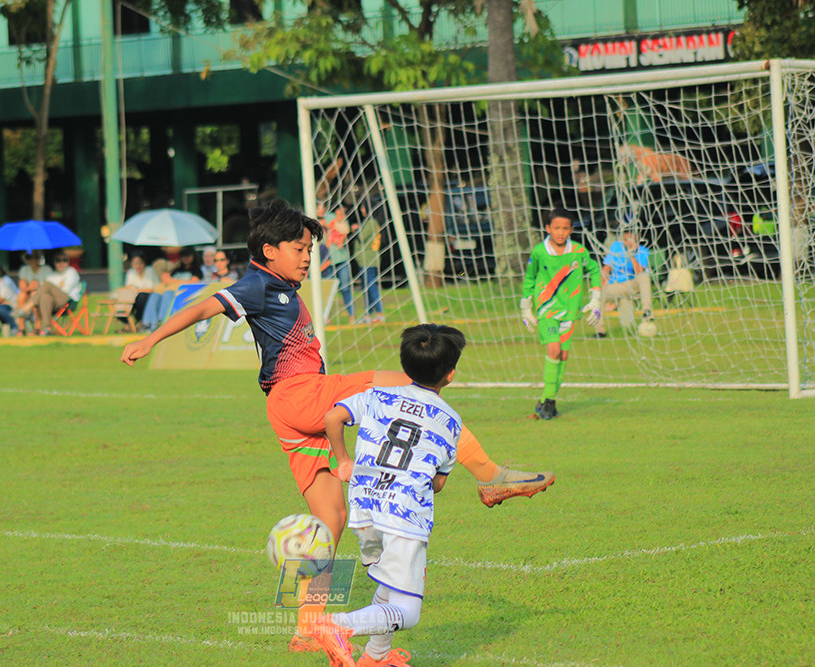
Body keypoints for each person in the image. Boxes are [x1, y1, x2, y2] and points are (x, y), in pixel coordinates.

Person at [120, 199, 553, 650]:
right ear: (269, 251)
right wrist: (151, 339)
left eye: (309, 248)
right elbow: (202, 308)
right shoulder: (257, 284)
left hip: (287, 412)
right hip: (301, 393)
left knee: (329, 519)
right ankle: (490, 476)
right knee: (414, 383)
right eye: (299, 249)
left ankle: (307, 628)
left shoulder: (278, 284)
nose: (307, 256)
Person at [318, 323, 465, 667]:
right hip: (403, 515)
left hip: (365, 509)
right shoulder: (451, 421)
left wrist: (344, 461)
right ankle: (337, 625)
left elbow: (333, 417)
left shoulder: (377, 395)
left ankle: (375, 658)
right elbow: (437, 483)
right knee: (408, 611)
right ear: (450, 374)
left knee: (389, 582)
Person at [520, 208, 602, 420]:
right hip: (546, 309)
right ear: (548, 228)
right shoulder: (539, 252)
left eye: (565, 228)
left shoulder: (578, 251)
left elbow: (594, 270)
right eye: (556, 228)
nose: (560, 232)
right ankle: (548, 401)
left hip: (570, 310)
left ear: (571, 230)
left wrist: (596, 299)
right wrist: (526, 306)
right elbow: (530, 278)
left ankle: (547, 400)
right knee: (554, 350)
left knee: (563, 356)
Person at [595, 227, 655, 337]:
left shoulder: (643, 251)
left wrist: (631, 254)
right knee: (597, 298)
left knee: (644, 276)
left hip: (632, 285)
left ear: (636, 239)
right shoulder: (616, 247)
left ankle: (647, 311)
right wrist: (597, 287)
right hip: (616, 286)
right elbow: (606, 269)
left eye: (630, 239)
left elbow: (639, 272)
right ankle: (600, 331)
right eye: (626, 239)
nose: (628, 242)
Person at [141, 247, 202, 331]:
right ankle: (149, 323)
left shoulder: (196, 270)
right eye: (183, 256)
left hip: (184, 294)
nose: (185, 258)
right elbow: (168, 280)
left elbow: (194, 282)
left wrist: (173, 281)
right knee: (155, 295)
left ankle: (163, 321)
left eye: (187, 255)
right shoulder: (177, 270)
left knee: (168, 293)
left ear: (192, 256)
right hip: (171, 290)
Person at [28, 251, 82, 336]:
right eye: (58, 260)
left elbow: (66, 289)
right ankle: (48, 328)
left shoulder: (71, 272)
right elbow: (45, 290)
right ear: (54, 262)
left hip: (68, 302)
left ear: (68, 262)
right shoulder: (51, 275)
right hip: (54, 303)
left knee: (47, 285)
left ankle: (27, 307)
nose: (61, 263)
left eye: (64, 260)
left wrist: (52, 287)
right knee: (45, 297)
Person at [322, 205, 356, 323]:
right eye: (338, 214)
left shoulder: (343, 223)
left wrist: (341, 239)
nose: (339, 216)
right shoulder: (329, 217)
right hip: (329, 261)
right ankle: (327, 317)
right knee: (328, 290)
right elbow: (321, 222)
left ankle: (352, 316)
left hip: (342, 260)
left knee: (345, 288)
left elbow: (345, 231)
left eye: (341, 214)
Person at [353, 203, 384, 324]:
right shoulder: (371, 222)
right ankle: (368, 314)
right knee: (367, 287)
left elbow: (361, 237)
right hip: (367, 259)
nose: (361, 209)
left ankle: (380, 313)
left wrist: (356, 229)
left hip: (368, 259)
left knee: (371, 286)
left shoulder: (371, 222)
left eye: (363, 207)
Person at [15, 251, 51, 334]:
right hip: (28, 295)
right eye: (28, 258)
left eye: (34, 257)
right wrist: (30, 287)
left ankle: (38, 327)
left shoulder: (46, 270)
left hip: (43, 296)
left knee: (34, 295)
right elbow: (22, 287)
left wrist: (36, 287)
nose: (31, 260)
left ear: (38, 259)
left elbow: (48, 286)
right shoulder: (24, 270)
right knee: (21, 296)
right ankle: (21, 328)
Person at [124, 252, 160, 325]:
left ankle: (140, 320)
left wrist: (136, 290)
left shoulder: (150, 271)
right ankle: (128, 323)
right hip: (134, 297)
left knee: (141, 297)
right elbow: (129, 287)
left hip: (150, 296)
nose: (138, 266)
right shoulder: (131, 272)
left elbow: (151, 289)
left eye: (140, 263)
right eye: (136, 264)